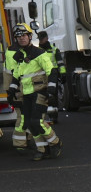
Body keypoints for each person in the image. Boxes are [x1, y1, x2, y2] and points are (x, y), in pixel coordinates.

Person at [3, 23, 62, 160]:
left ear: (30, 36)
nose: (21, 38)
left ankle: (55, 142)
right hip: (27, 94)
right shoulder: (19, 55)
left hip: (40, 92)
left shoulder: (40, 53)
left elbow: (51, 71)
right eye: (18, 36)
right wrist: (11, 91)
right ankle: (42, 149)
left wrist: (52, 88)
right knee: (29, 123)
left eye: (24, 35)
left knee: (37, 121)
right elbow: (17, 75)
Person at [37, 29, 66, 124]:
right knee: (42, 97)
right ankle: (45, 117)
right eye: (40, 39)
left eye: (42, 39)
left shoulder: (54, 50)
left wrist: (63, 74)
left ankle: (54, 117)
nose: (41, 41)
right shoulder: (37, 51)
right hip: (41, 77)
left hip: (53, 76)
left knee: (52, 97)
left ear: (46, 38)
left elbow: (60, 63)